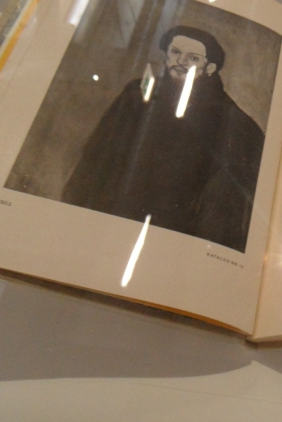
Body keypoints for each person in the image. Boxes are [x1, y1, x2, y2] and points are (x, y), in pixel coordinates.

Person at [63, 26, 265, 253]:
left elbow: (225, 213)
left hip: (177, 246)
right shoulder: (136, 94)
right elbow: (96, 164)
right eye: (175, 52)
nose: (181, 62)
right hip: (111, 228)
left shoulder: (235, 123)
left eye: (193, 58)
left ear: (210, 68)